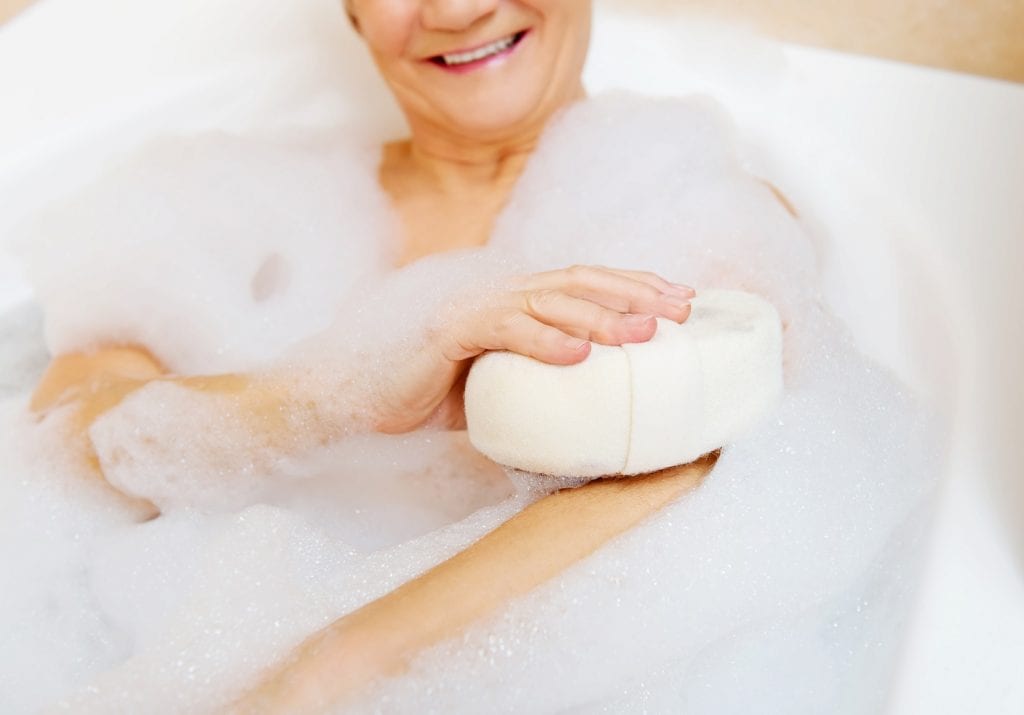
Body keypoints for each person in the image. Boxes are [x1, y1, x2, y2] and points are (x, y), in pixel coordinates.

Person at [23, 1, 932, 713]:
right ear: (350, 11)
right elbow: (66, 447)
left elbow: (694, 470)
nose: (457, 8)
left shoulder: (681, 198)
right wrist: (328, 394)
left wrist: (303, 682)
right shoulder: (219, 211)